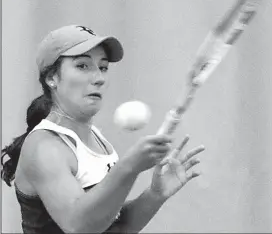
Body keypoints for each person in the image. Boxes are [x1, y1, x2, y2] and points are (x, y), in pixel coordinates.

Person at [1, 24, 205, 234]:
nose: (98, 78)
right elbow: (78, 225)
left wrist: (154, 195)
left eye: (103, 67)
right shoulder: (45, 147)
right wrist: (129, 167)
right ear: (52, 78)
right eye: (82, 66)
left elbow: (115, 226)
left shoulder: (97, 139)